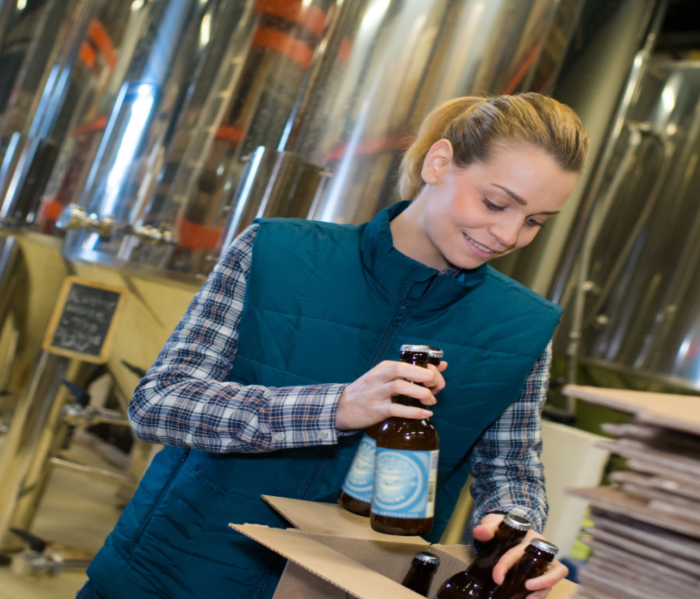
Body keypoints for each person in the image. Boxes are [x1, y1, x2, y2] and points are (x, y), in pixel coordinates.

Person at [79, 93, 588, 599]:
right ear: (439, 162)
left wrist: (516, 529)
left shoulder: (522, 326)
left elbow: (511, 468)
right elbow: (159, 404)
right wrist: (336, 407)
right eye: (496, 203)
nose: (507, 234)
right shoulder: (276, 252)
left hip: (349, 585)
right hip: (169, 574)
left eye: (535, 222)